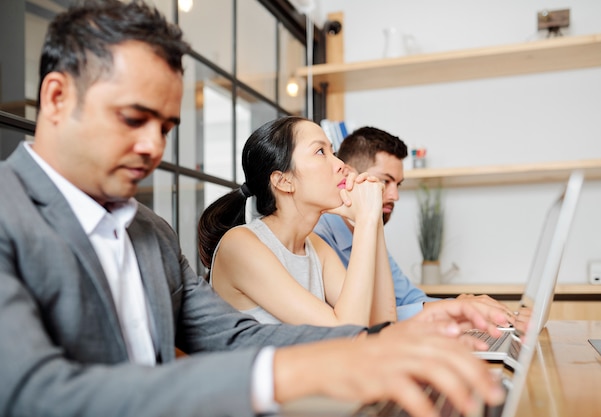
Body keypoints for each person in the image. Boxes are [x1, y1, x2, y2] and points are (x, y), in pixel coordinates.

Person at [0, 1, 507, 416]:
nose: (154, 146)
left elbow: (234, 336)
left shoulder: (150, 232)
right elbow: (31, 393)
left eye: (167, 127)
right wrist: (294, 372)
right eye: (134, 118)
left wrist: (388, 339)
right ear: (57, 96)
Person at [197, 116, 397, 327]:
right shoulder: (239, 245)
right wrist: (365, 219)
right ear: (284, 181)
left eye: (333, 152)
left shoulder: (315, 246)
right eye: (320, 152)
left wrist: (374, 218)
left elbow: (382, 324)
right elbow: (349, 330)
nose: (341, 165)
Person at [314, 127, 516, 322]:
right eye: (385, 181)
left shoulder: (368, 232)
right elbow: (359, 320)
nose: (395, 196)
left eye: (398, 184)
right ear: (349, 175)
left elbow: (410, 299)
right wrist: (449, 309)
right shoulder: (318, 236)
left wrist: (464, 306)